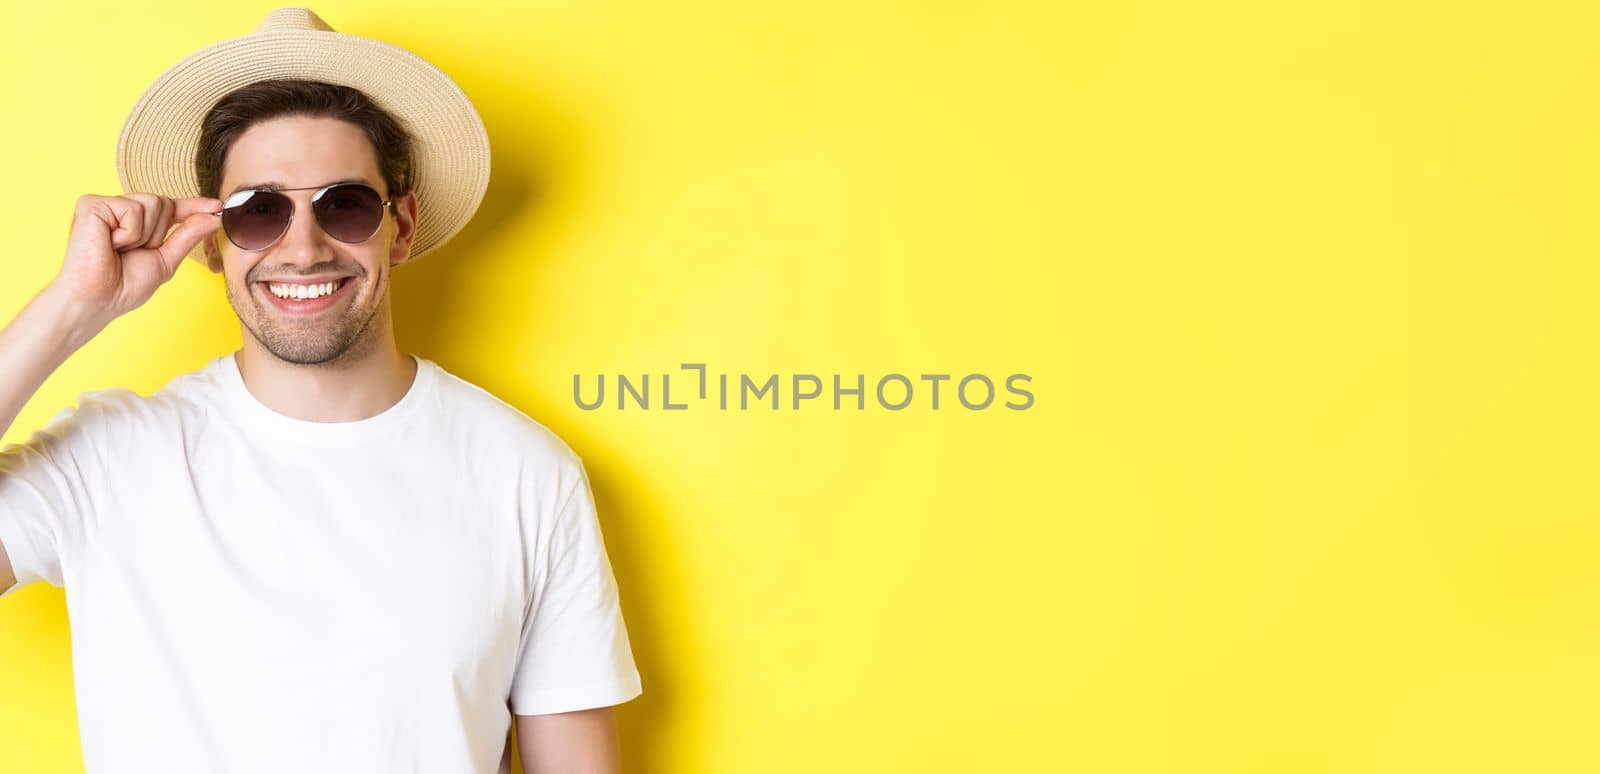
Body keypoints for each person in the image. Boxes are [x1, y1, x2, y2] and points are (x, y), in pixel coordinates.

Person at [0, 8, 641, 774]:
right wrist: (70, 307)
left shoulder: (525, 474)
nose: (302, 249)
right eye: (258, 211)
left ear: (399, 226)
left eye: (344, 205)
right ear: (211, 239)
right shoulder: (106, 459)